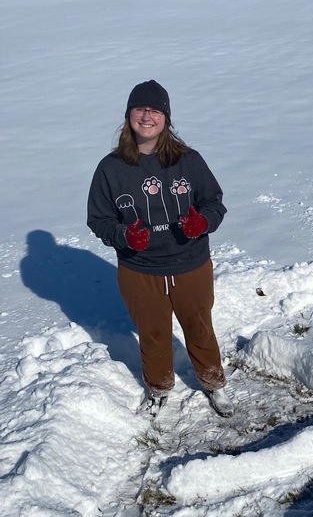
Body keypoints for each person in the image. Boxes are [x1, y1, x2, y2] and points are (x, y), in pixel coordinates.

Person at [87, 79, 234, 417]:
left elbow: (214, 202)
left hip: (191, 263)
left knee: (199, 326)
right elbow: (99, 219)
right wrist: (124, 236)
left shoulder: (188, 161)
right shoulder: (110, 169)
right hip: (140, 269)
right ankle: (159, 389)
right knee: (153, 334)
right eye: (140, 108)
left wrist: (203, 223)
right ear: (128, 116)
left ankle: (213, 383)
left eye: (155, 110)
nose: (147, 116)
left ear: (166, 118)